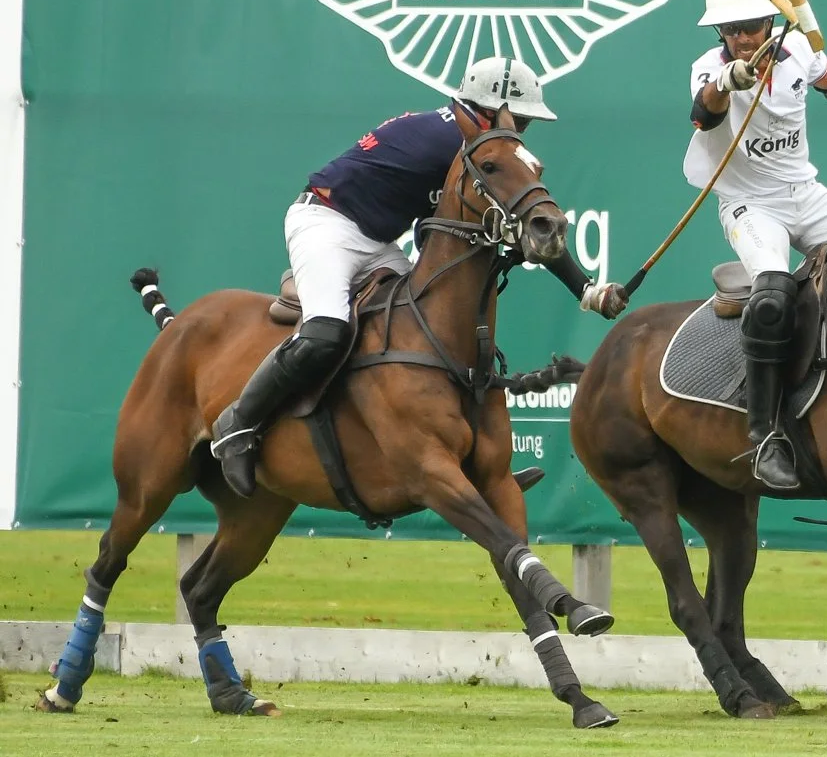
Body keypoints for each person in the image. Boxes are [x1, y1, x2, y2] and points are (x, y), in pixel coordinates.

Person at [209, 56, 625, 497]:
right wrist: (587, 291)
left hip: (376, 238)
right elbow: (524, 231)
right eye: (520, 119)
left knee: (429, 327)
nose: (521, 131)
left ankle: (475, 467)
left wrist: (587, 290)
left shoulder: (470, 142)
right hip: (327, 223)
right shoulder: (451, 144)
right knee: (327, 330)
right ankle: (239, 422)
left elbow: (524, 227)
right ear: (494, 111)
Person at [684, 0, 827, 489]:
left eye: (750, 27)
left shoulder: (800, 51)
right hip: (748, 204)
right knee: (773, 294)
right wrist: (726, 82)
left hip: (805, 194)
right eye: (730, 30)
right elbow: (703, 114)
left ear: (769, 22)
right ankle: (764, 436)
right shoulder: (709, 68)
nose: (740, 38)